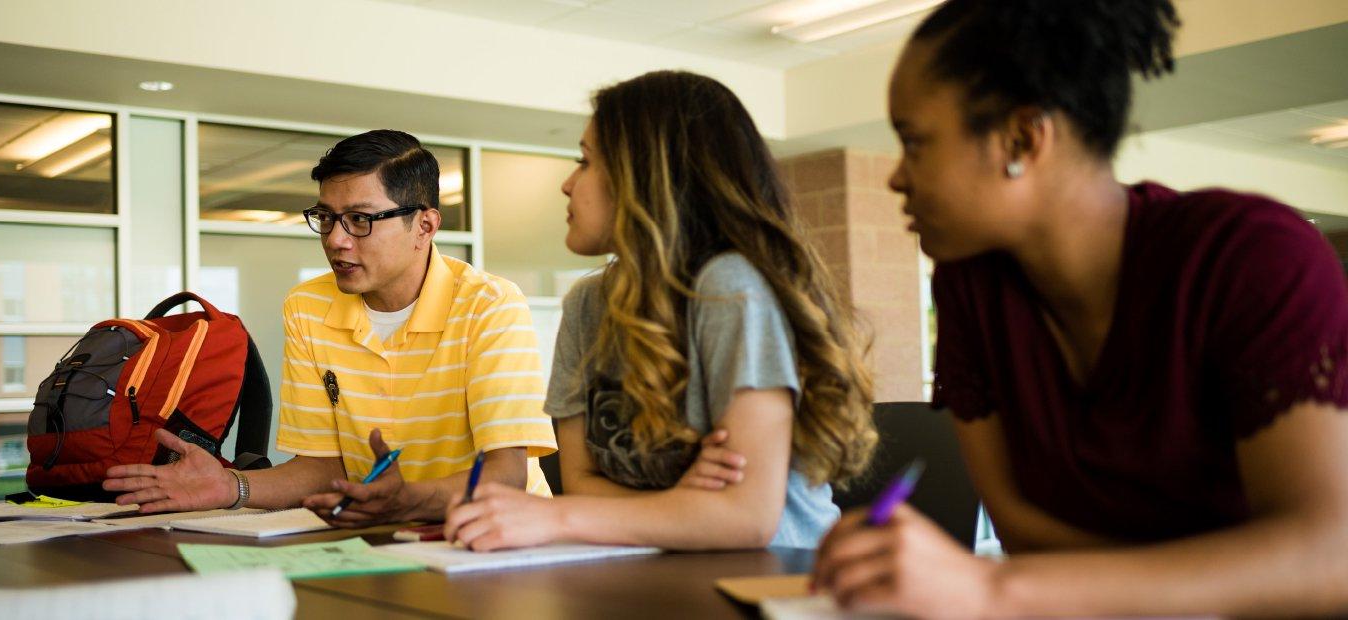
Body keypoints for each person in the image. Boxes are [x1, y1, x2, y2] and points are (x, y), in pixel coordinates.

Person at [811, 1, 1348, 617]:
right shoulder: (971, 284)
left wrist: (991, 589)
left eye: (914, 143)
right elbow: (1020, 527)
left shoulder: (1252, 257)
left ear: (1022, 138)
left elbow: (1329, 556)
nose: (897, 178)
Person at [443, 70, 878, 551]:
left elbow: (745, 517)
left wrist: (556, 516)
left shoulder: (728, 288)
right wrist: (681, 499)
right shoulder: (586, 306)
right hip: (656, 569)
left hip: (774, 577)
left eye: (585, 162)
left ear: (648, 175)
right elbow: (582, 481)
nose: (568, 184)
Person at [103, 130, 558, 527]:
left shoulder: (488, 304)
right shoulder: (308, 307)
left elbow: (506, 474)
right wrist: (229, 486)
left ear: (424, 225)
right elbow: (322, 468)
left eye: (360, 220)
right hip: (381, 536)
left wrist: (406, 502)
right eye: (326, 218)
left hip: (501, 538)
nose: (336, 239)